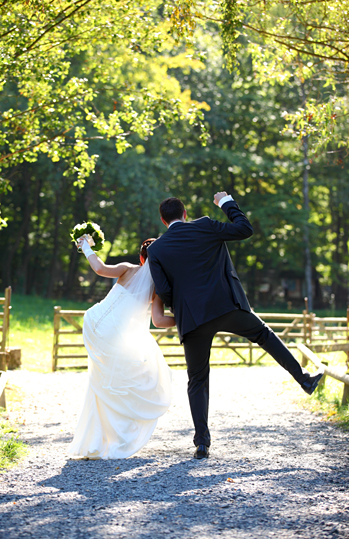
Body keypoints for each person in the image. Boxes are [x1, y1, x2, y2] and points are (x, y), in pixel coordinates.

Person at [146, 192, 324, 460]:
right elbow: (245, 230)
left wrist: (183, 312)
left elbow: (165, 291)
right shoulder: (204, 225)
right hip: (227, 306)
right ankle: (304, 380)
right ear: (184, 213)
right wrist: (226, 202)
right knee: (264, 335)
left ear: (163, 220)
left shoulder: (156, 249)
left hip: (193, 319)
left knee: (197, 379)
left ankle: (202, 443)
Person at [68, 238, 175, 460]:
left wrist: (85, 246)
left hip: (95, 322)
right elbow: (159, 320)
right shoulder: (157, 287)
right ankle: (118, 436)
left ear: (141, 258)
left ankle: (94, 441)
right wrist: (185, 319)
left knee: (101, 383)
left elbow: (99, 268)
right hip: (113, 335)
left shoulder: (127, 269)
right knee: (128, 380)